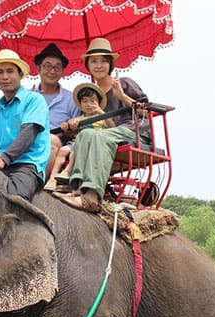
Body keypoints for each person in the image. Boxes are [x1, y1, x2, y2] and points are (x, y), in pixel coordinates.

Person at [53, 38, 149, 212]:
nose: (99, 65)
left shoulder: (125, 83)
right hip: (105, 134)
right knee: (86, 134)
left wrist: (122, 97)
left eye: (104, 61)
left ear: (110, 64)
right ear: (88, 65)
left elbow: (146, 113)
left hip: (131, 131)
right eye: (94, 61)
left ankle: (91, 197)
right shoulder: (92, 95)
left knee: (97, 136)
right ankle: (76, 189)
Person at [0, 49, 50, 201]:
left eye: (10, 71)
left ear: (20, 75)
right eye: (0, 72)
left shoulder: (34, 100)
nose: (5, 76)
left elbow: (29, 133)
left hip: (27, 166)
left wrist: (4, 158)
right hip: (3, 166)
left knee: (14, 199)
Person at [44, 82, 112, 192]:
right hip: (75, 141)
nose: (88, 104)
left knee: (76, 146)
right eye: (84, 101)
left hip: (91, 143)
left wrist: (101, 112)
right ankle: (52, 179)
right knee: (62, 151)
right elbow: (72, 129)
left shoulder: (101, 117)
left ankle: (68, 170)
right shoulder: (79, 118)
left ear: (99, 103)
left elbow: (112, 126)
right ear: (80, 104)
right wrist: (67, 125)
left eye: (92, 101)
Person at [32, 43, 81, 182]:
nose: (52, 71)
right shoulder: (27, 97)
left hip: (55, 143)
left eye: (57, 67)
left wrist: (69, 129)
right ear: (38, 68)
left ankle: (36, 184)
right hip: (27, 140)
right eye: (47, 66)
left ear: (62, 71)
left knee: (51, 140)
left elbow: (77, 133)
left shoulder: (72, 99)